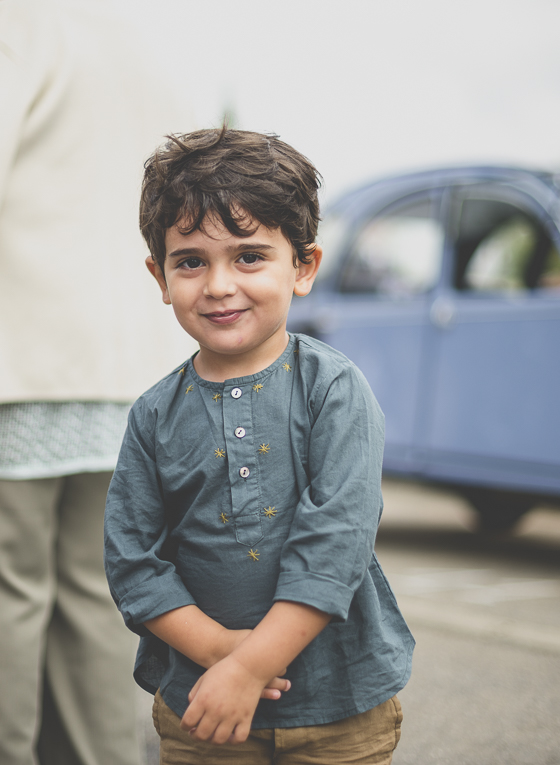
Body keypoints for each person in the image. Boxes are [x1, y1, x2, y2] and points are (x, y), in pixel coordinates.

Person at [0, 1, 191, 762]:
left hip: (9, 371)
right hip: (126, 377)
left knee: (2, 609)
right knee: (98, 606)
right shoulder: (135, 37)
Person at [103, 127, 415, 764]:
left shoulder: (333, 390)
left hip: (341, 708)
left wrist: (250, 668)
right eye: (190, 261)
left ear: (302, 266)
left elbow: (335, 545)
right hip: (202, 707)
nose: (218, 284)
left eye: (249, 257)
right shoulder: (154, 415)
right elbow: (134, 561)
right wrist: (225, 659)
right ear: (159, 276)